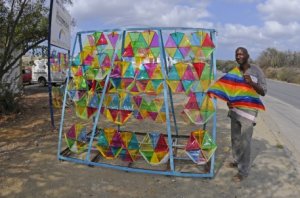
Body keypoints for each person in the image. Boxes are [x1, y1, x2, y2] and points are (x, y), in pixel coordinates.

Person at [227, 47, 267, 182]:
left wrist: (252, 83)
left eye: (241, 54)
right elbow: (229, 90)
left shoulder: (256, 71)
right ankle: (237, 160)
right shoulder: (234, 71)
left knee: (245, 141)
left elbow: (263, 91)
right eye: (237, 54)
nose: (239, 56)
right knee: (235, 139)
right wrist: (228, 100)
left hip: (249, 111)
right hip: (234, 111)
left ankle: (243, 171)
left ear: (247, 55)